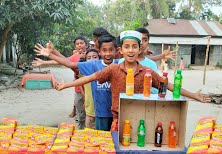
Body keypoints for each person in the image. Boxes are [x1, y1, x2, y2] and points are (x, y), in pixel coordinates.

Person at [53, 30, 211, 131]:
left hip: (140, 121)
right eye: (127, 47)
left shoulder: (146, 72)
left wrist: (193, 95)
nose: (131, 50)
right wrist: (65, 85)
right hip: (117, 122)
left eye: (134, 46)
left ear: (139, 49)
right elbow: (90, 78)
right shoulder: (113, 69)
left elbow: (169, 86)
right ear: (121, 51)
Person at [34, 35, 118, 131]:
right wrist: (50, 54)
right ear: (100, 51)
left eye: (111, 50)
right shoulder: (93, 64)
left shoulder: (120, 63)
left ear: (117, 50)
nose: (108, 54)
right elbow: (70, 63)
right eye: (104, 50)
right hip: (100, 112)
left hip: (117, 112)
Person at [34, 36, 88, 129]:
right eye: (77, 44)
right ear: (75, 47)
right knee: (81, 113)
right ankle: (81, 131)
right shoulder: (75, 56)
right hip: (79, 88)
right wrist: (44, 61)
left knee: (90, 113)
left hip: (90, 89)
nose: (79, 45)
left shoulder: (91, 55)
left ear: (86, 45)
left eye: (81, 43)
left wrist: (53, 52)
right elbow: (63, 61)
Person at [118, 27, 158, 93]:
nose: (141, 43)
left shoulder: (152, 64)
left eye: (145, 40)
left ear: (148, 43)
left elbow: (155, 89)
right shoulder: (121, 62)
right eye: (139, 39)